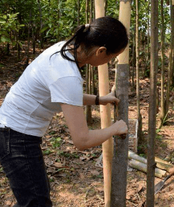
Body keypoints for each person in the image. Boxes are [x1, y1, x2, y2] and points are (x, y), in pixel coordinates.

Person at [0, 16, 129, 207]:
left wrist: (98, 100)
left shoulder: (65, 49)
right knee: (36, 202)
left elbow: (63, 94)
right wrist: (115, 128)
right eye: (111, 57)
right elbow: (82, 140)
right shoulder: (67, 74)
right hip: (16, 136)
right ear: (101, 51)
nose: (109, 62)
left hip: (12, 130)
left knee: (33, 198)